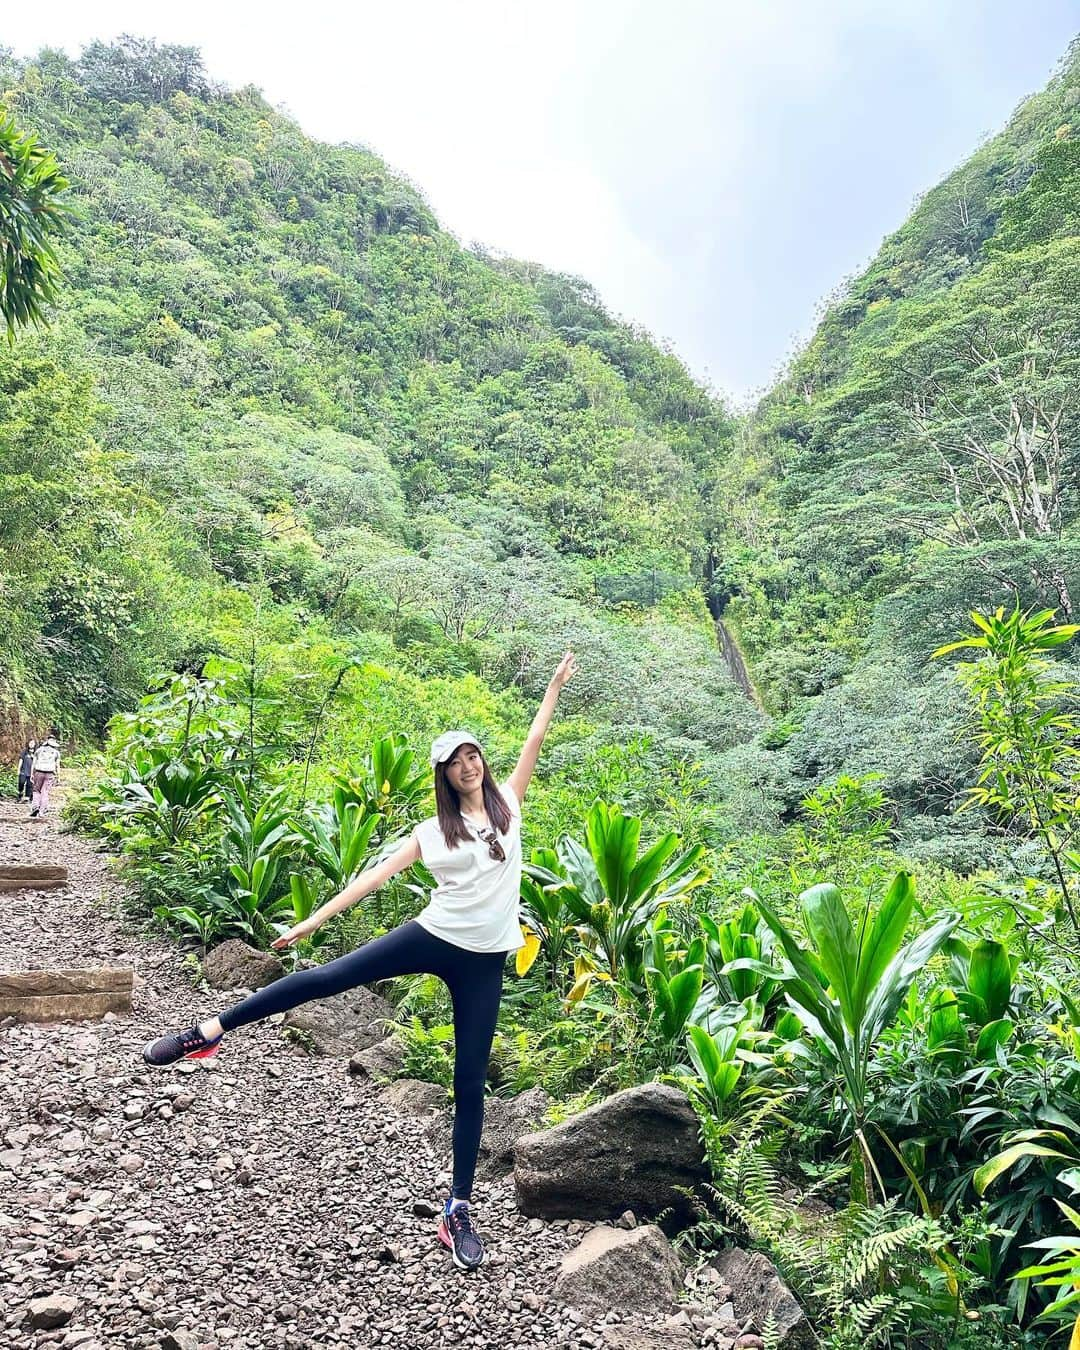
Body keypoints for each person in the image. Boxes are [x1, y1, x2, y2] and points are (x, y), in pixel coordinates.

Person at [143, 651, 578, 1272]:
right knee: (324, 978)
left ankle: (457, 1212)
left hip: (484, 962)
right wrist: (313, 921)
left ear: (483, 760)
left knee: (469, 1083)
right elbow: (372, 879)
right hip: (434, 935)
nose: (467, 767)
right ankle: (206, 1032)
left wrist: (554, 687)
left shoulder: (511, 802)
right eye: (455, 763)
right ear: (444, 775)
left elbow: (536, 735)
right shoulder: (434, 833)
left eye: (472, 755)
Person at [29, 728, 61, 818]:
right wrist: (58, 776)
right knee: (45, 791)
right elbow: (57, 765)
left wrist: (32, 774)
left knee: (36, 790)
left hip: (39, 772)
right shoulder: (56, 753)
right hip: (50, 773)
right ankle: (42, 811)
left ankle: (35, 806)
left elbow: (34, 763)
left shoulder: (39, 750)